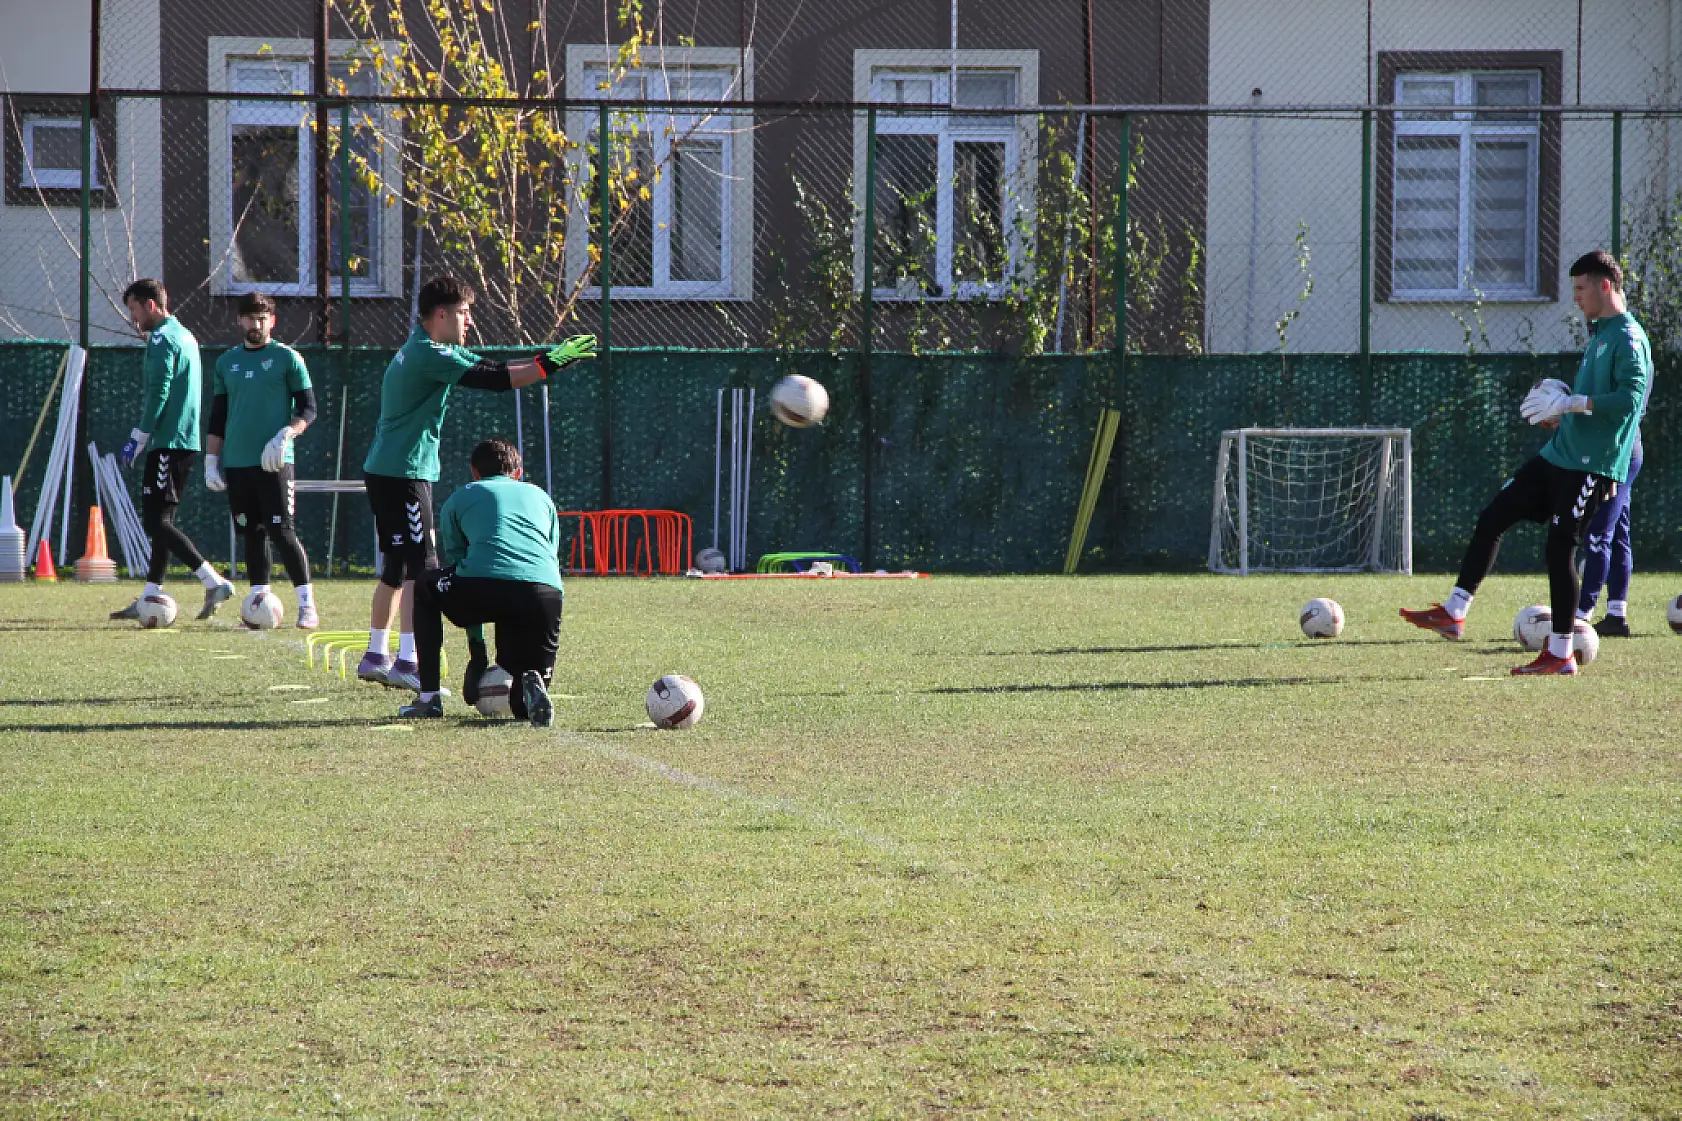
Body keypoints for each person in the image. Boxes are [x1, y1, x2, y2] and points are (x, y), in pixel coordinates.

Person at [1400, 250, 1651, 674]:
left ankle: (1560, 653)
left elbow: (1630, 399)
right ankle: (1455, 611)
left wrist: (1575, 401)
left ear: (1605, 286)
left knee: (1559, 550)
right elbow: (1591, 405)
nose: (1575, 297)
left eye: (1580, 288)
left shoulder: (1627, 337)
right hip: (1558, 458)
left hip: (1591, 466)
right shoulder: (1601, 334)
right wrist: (1561, 413)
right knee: (1494, 514)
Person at [355, 275, 593, 691]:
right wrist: (550, 363)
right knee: (422, 568)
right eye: (464, 313)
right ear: (441, 315)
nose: (470, 322)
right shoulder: (430, 354)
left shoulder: (421, 347)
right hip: (404, 472)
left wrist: (545, 359)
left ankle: (377, 655)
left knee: (397, 566)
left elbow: (485, 364)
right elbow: (495, 378)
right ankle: (408, 663)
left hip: (389, 468)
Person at [398, 437, 564, 727]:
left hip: (483, 588)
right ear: (519, 472)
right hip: (544, 594)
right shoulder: (541, 497)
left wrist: (477, 651)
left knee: (425, 585)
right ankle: (530, 679)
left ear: (474, 472)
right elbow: (547, 555)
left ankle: (429, 697)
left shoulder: (462, 496)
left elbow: (462, 567)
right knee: (520, 711)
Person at [110, 279, 237, 622]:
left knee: (155, 521)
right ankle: (151, 593)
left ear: (151, 305)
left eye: (134, 309)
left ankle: (212, 580)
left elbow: (159, 392)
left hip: (170, 441)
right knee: (162, 521)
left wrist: (139, 436)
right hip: (180, 441)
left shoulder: (165, 339)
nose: (134, 318)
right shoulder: (185, 335)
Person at [205, 292, 320, 629]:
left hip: (274, 462)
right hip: (238, 463)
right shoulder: (227, 362)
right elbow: (218, 417)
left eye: (262, 318)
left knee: (282, 531)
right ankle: (258, 600)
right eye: (250, 318)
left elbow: (308, 408)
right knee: (250, 533)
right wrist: (211, 461)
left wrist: (287, 434)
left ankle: (306, 605)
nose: (256, 324)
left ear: (273, 321)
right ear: (239, 320)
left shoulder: (288, 358)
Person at [1575, 427, 1642, 637]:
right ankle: (1615, 615)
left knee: (1598, 534)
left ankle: (1581, 615)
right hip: (1623, 450)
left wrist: (1575, 405)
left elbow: (1625, 406)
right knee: (1618, 533)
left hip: (1616, 454)